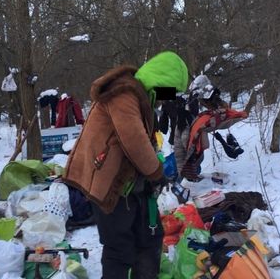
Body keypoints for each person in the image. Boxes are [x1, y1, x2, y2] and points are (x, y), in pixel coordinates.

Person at [63, 51, 188, 279]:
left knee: (149, 239)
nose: (167, 98)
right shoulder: (122, 93)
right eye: (169, 90)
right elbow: (134, 141)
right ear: (159, 80)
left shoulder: (143, 96)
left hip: (130, 187)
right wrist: (156, 173)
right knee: (119, 250)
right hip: (109, 186)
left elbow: (145, 141)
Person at [181, 75, 248, 181]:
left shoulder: (207, 106)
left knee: (190, 154)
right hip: (186, 130)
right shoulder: (185, 97)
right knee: (186, 153)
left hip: (192, 130)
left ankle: (187, 173)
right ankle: (185, 174)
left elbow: (224, 112)